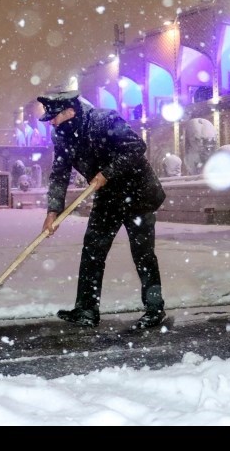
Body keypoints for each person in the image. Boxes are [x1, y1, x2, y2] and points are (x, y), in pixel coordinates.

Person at [37, 85, 167, 330]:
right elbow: (59, 174)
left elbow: (136, 148)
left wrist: (107, 173)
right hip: (107, 197)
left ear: (69, 110)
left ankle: (154, 309)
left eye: (54, 117)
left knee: (143, 254)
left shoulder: (104, 119)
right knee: (92, 251)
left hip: (137, 194)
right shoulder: (62, 135)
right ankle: (87, 309)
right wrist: (52, 211)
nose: (52, 123)